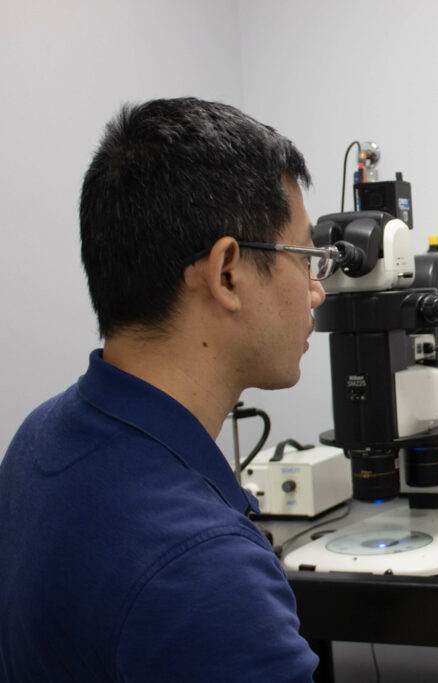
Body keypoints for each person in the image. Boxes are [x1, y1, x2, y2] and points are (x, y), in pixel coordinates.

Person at [0, 98, 326, 681]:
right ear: (227, 272)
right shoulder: (203, 569)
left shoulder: (38, 438)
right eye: (306, 259)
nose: (316, 291)